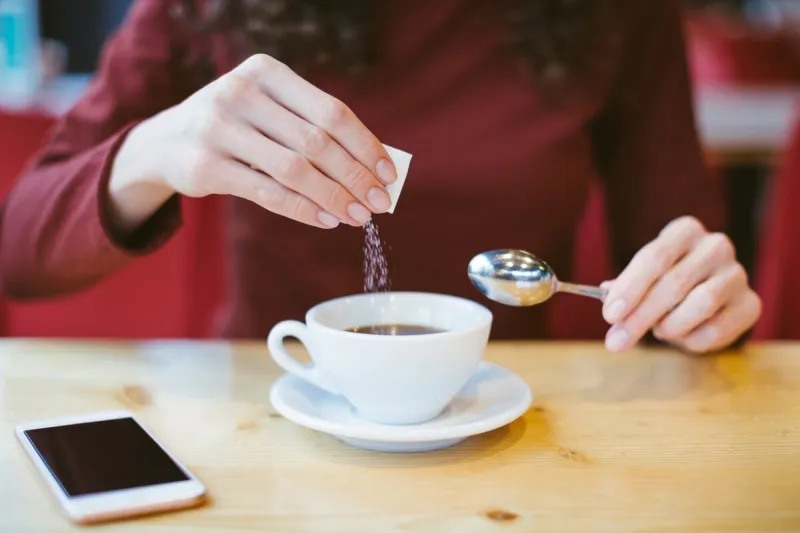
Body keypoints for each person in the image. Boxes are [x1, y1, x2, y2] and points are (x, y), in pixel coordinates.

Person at [0, 0, 761, 353]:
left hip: (511, 419)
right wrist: (155, 151)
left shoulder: (619, 16)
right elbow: (19, 250)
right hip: (269, 407)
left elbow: (677, 264)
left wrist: (698, 302)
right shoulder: (209, 6)